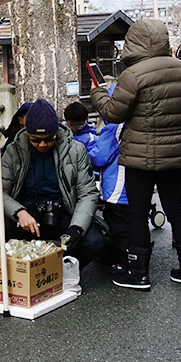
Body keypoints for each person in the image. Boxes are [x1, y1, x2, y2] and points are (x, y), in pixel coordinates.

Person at [90, 18, 181, 289]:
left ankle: (137, 274)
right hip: (174, 152)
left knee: (137, 213)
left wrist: (98, 95)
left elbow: (114, 113)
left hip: (140, 155)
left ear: (134, 42)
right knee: (176, 211)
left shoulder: (134, 74)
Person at [0, 98, 108, 269]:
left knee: (95, 241)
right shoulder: (14, 150)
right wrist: (18, 212)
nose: (43, 144)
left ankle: (61, 269)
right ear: (27, 133)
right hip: (28, 212)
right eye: (35, 140)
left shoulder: (76, 150)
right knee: (3, 227)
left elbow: (88, 193)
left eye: (48, 139)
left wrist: (76, 227)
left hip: (65, 210)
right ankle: (28, 267)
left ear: (56, 133)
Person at [79, 86, 128, 276]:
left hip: (117, 189)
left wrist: (84, 152)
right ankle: (135, 258)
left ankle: (122, 262)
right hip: (133, 186)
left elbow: (100, 157)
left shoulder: (113, 128)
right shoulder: (133, 124)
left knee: (118, 228)